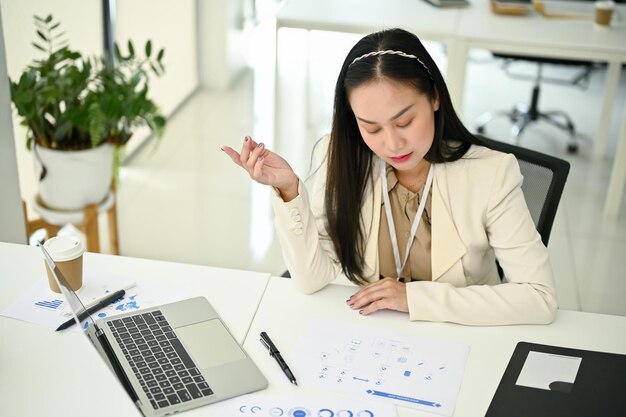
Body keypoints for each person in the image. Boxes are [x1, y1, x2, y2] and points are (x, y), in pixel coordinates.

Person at [222, 28, 557, 325]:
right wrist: (290, 192)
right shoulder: (341, 156)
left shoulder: (492, 174)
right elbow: (312, 278)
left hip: (463, 335)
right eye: (371, 128)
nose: (392, 144)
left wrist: (414, 299)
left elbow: (538, 298)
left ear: (435, 97)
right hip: (375, 336)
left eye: (404, 122)